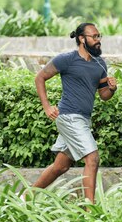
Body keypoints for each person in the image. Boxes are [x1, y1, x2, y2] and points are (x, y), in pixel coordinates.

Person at [32, 22, 117, 203]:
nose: (98, 40)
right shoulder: (66, 59)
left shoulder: (100, 64)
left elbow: (103, 95)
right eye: (94, 37)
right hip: (69, 116)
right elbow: (40, 77)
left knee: (60, 166)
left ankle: (25, 196)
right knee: (92, 158)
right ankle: (90, 210)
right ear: (81, 39)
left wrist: (112, 89)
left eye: (99, 36)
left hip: (83, 119)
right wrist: (47, 107)